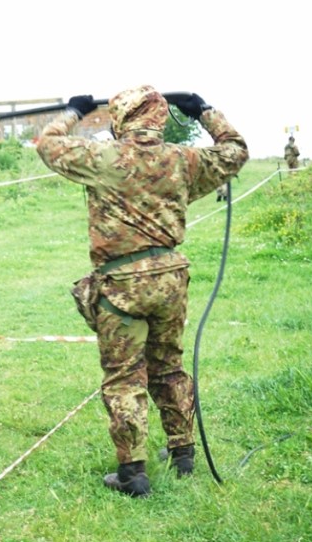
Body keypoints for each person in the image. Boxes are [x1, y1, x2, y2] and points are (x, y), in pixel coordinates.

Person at [36, 86, 248, 497]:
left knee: (124, 377)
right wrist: (204, 111)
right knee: (169, 367)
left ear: (120, 118)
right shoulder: (183, 160)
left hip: (122, 285)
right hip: (170, 279)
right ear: (160, 117)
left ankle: (132, 473)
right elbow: (235, 151)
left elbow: (48, 144)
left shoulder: (104, 158)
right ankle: (182, 453)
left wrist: (73, 112)